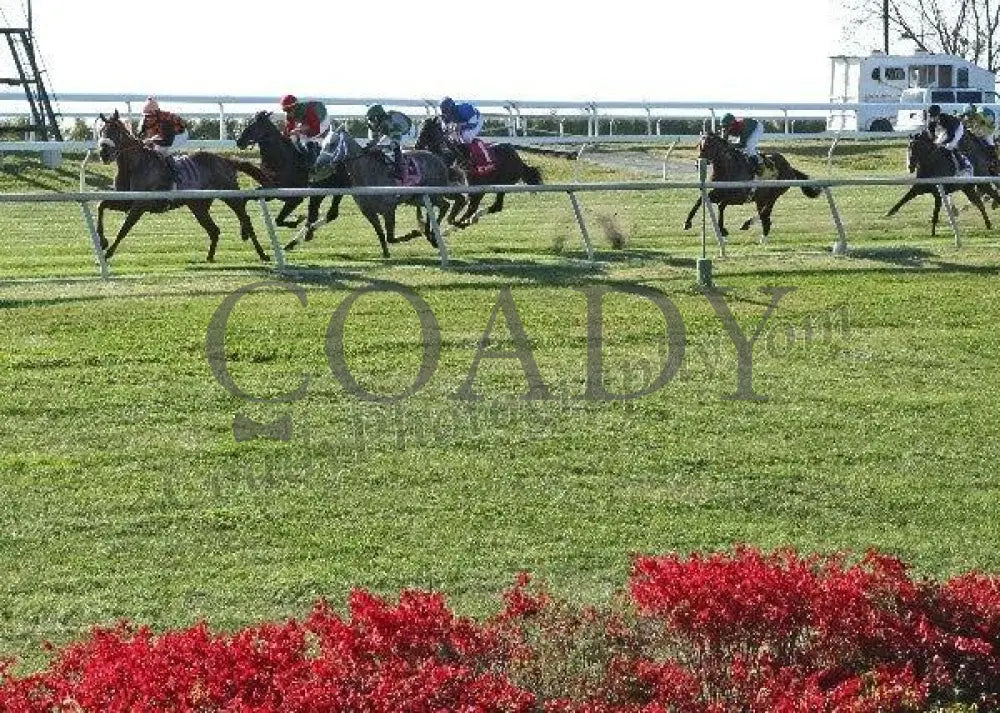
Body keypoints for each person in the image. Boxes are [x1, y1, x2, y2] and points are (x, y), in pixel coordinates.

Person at [365, 104, 412, 179]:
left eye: (371, 120)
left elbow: (395, 143)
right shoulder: (376, 124)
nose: (370, 123)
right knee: (379, 146)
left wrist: (381, 148)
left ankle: (402, 172)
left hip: (407, 131)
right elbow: (374, 141)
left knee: (394, 149)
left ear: (377, 118)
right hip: (389, 131)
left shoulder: (393, 124)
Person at [928, 104, 972, 176]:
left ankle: (963, 165)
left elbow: (951, 136)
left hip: (957, 129)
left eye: (934, 116)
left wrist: (942, 143)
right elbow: (932, 136)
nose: (933, 118)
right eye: (931, 116)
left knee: (950, 146)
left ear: (938, 114)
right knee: (937, 145)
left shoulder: (947, 120)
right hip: (945, 130)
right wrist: (934, 142)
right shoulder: (931, 122)